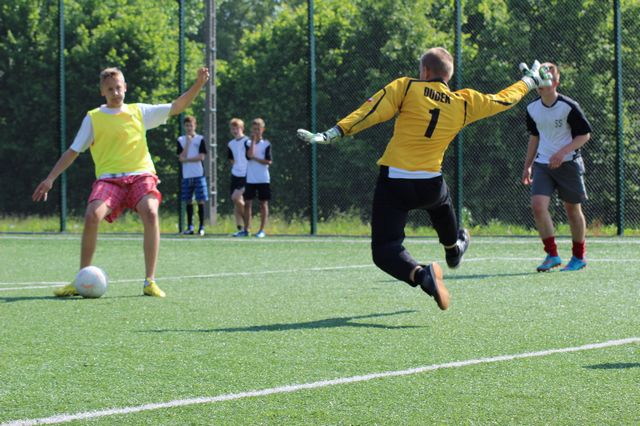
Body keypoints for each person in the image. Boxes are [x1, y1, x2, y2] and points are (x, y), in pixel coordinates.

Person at [297, 47, 551, 310]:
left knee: (385, 248)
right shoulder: (464, 102)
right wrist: (530, 81)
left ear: (426, 71)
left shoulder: (407, 87)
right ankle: (453, 248)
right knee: (441, 203)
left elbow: (370, 112)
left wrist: (334, 132)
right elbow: (503, 99)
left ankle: (422, 275)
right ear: (448, 75)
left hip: (395, 182)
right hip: (430, 184)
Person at [33, 66, 210, 298]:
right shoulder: (93, 118)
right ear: (102, 92)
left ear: (125, 87)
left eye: (118, 87)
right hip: (109, 180)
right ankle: (80, 279)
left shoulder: (139, 112)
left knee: (151, 212)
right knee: (91, 215)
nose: (115, 92)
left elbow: (177, 106)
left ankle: (150, 281)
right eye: (110, 89)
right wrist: (50, 178)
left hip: (141, 176)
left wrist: (199, 83)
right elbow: (73, 151)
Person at [521, 62, 592, 272]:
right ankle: (552, 255)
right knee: (538, 206)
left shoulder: (569, 106)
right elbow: (534, 137)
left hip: (569, 163)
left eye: (548, 73)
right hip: (543, 164)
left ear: (556, 82)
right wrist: (528, 165)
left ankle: (579, 257)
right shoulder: (532, 108)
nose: (542, 79)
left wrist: (562, 153)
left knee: (572, 209)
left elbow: (584, 135)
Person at [178, 115, 208, 236]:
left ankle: (201, 227)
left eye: (191, 125)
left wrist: (187, 159)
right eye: (187, 126)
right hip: (186, 175)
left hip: (198, 174)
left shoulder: (200, 139)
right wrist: (188, 143)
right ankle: (190, 226)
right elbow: (181, 157)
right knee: (188, 201)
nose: (189, 128)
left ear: (195, 126)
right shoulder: (181, 140)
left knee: (200, 200)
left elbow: (201, 157)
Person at [245, 118, 272, 238]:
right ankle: (246, 229)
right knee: (247, 203)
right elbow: (249, 155)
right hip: (250, 179)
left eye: (258, 129)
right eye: (254, 129)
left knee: (263, 204)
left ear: (263, 130)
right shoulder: (247, 143)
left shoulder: (266, 144)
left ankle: (261, 230)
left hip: (263, 179)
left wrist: (255, 158)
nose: (256, 131)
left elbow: (268, 161)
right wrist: (252, 141)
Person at [227, 118, 250, 236]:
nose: (235, 130)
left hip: (246, 175)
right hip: (235, 175)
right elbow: (231, 159)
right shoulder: (231, 144)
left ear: (242, 128)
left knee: (236, 198)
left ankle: (247, 224)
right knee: (236, 201)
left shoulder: (247, 141)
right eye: (233, 128)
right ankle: (241, 229)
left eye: (237, 128)